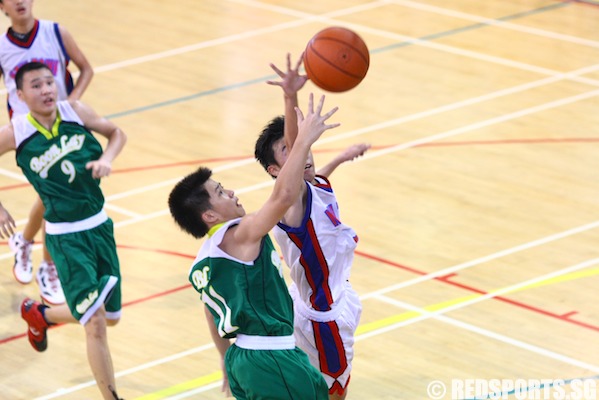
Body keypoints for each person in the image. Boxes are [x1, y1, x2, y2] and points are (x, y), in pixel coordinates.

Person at [168, 93, 338, 399]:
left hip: (241, 359)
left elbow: (211, 314)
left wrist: (224, 359)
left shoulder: (202, 261)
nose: (232, 192)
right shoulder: (241, 233)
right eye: (221, 192)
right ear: (210, 215)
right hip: (271, 358)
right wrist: (304, 140)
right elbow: (284, 195)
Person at [0, 61, 126, 400]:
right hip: (65, 236)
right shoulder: (16, 132)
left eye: (49, 83)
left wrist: (108, 159)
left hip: (99, 226)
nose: (46, 91)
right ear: (21, 95)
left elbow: (117, 133)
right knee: (95, 322)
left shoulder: (76, 110)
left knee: (110, 316)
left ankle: (39, 314)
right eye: (36, 86)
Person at [254, 54, 369, 400]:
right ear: (276, 171)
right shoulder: (289, 198)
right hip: (323, 316)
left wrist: (340, 157)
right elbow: (298, 152)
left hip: (328, 300)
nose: (300, 150)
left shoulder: (314, 183)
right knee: (334, 393)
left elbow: (314, 176)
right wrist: (290, 100)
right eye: (287, 150)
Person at [0, 0, 94, 305]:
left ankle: (26, 242)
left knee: (53, 196)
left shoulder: (55, 32)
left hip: (64, 125)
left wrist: (72, 105)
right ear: (3, 7)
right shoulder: (2, 47)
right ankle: (48, 266)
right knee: (56, 197)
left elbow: (86, 69)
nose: (20, 1)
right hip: (28, 133)